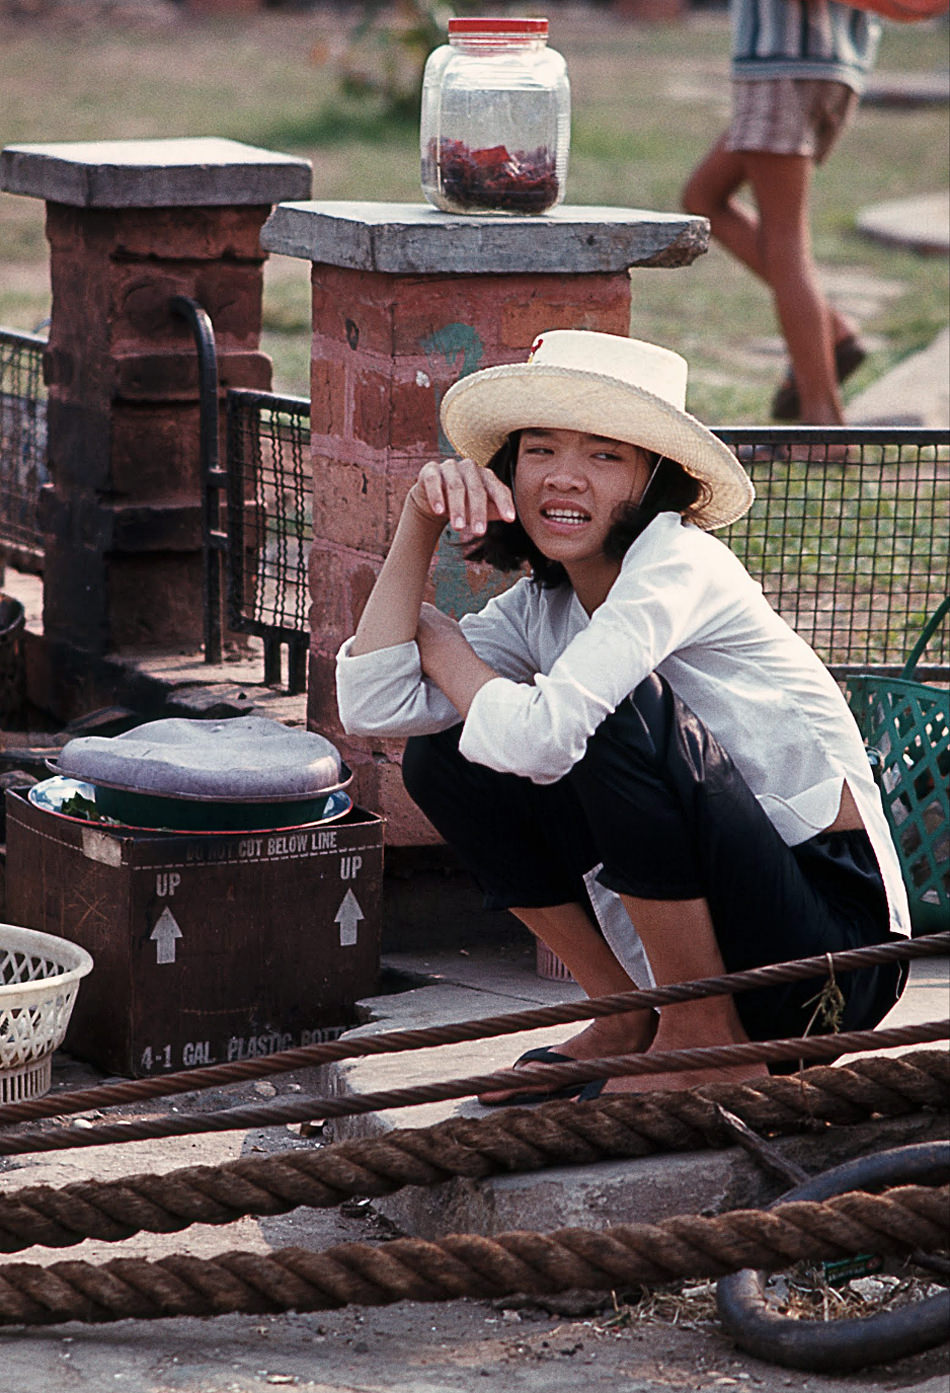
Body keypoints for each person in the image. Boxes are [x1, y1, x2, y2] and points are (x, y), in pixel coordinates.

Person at [335, 330, 908, 1103]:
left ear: (654, 481)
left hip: (827, 966)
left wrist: (442, 643)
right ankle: (628, 1014)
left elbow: (544, 735)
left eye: (605, 456)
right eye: (540, 450)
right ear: (509, 471)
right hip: (733, 949)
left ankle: (704, 1038)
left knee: (601, 711)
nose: (565, 478)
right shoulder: (545, 605)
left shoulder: (679, 563)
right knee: (446, 753)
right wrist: (419, 518)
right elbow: (375, 704)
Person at [681, 0, 880, 425]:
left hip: (782, 65)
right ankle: (832, 330)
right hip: (831, 65)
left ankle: (822, 426)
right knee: (703, 198)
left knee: (786, 244)